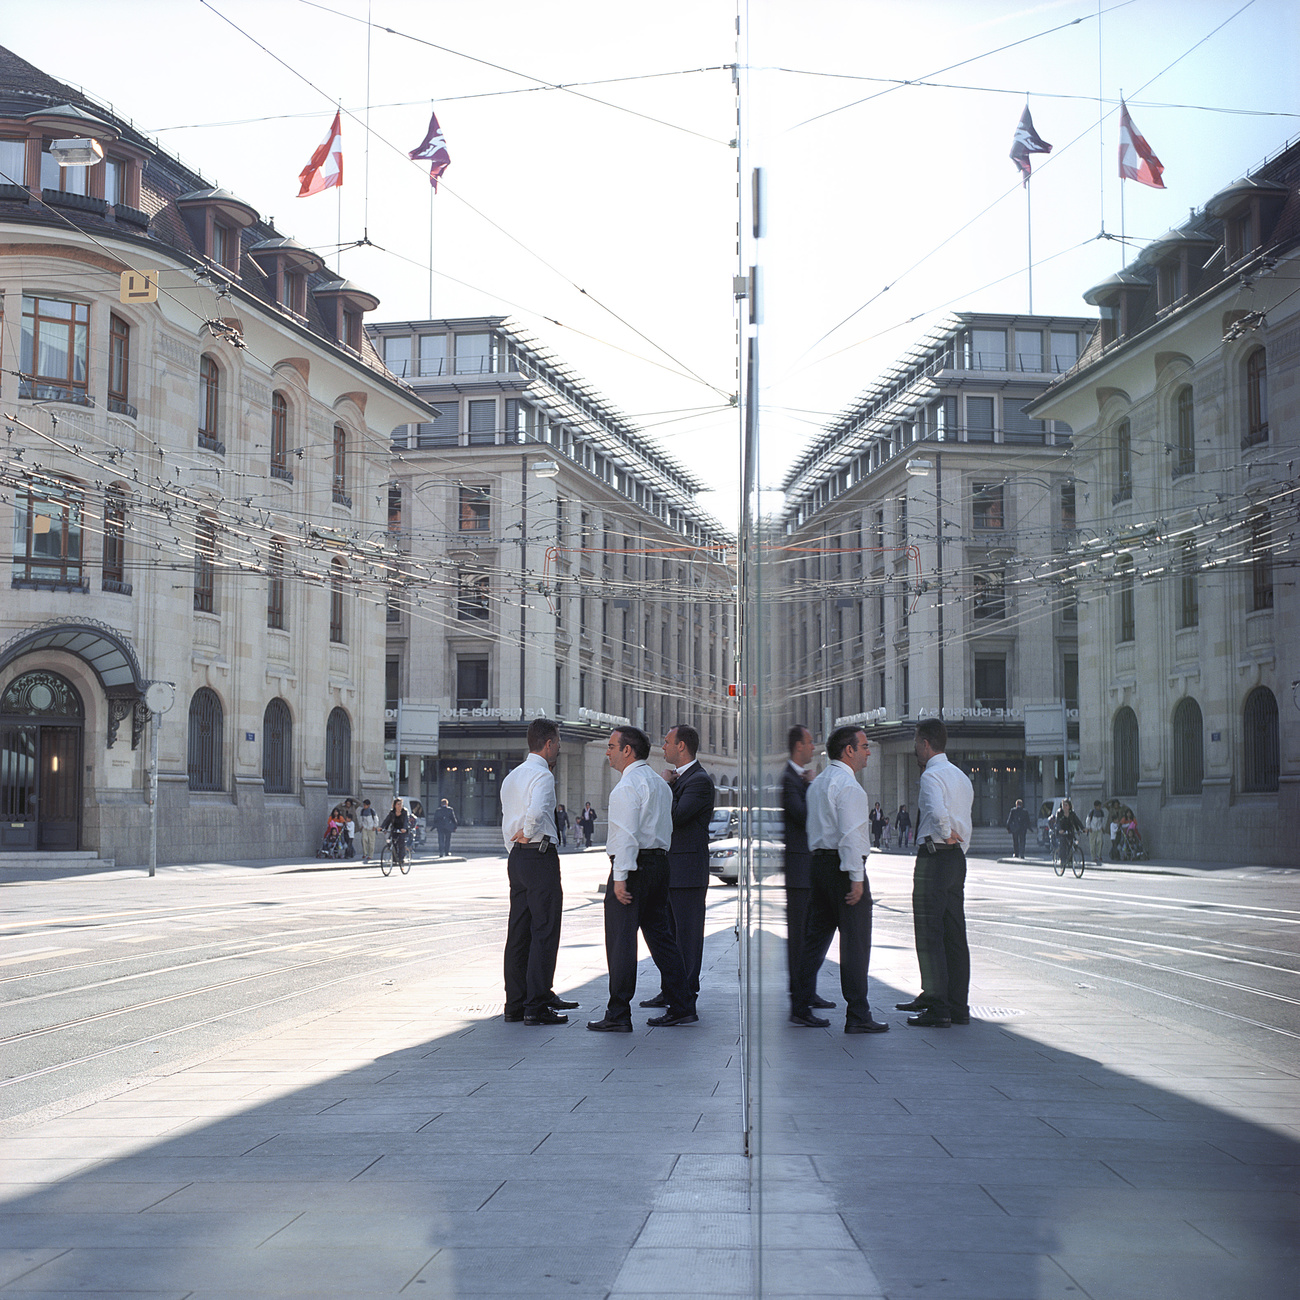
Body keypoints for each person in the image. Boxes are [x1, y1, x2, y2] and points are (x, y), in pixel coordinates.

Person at [588, 726, 694, 1032]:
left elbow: (626, 836)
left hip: (633, 868)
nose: (607, 751)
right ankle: (683, 1005)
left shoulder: (626, 787)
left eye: (611, 746)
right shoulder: (660, 785)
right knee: (662, 939)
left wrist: (620, 877)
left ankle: (618, 1013)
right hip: (660, 865)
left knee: (621, 942)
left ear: (627, 750)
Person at [793, 725, 888, 1034]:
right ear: (849, 750)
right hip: (844, 869)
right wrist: (857, 879)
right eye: (864, 746)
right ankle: (858, 1014)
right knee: (856, 943)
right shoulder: (849, 787)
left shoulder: (819, 783)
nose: (868, 751)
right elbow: (851, 836)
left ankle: (800, 1005)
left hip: (819, 865)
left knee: (815, 941)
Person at [898, 718, 974, 1029]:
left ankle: (937, 1007)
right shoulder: (960, 776)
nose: (914, 749)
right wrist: (957, 842)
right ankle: (957, 1005)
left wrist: (945, 833)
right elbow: (964, 820)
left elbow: (940, 815)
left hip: (934, 857)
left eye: (917, 743)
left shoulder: (931, 777)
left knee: (929, 934)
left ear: (927, 744)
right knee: (955, 933)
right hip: (956, 859)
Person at [499, 719, 575, 1026]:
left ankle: (515, 1004)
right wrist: (529, 833)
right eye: (557, 741)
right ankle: (537, 1004)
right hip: (540, 856)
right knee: (545, 930)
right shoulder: (542, 776)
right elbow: (537, 811)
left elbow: (507, 818)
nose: (558, 746)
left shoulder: (513, 776)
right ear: (549, 743)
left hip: (517, 859)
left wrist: (516, 843)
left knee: (518, 931)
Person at [641, 724, 714, 1010]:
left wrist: (666, 784)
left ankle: (685, 996)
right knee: (669, 937)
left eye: (667, 741)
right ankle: (670, 989)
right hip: (672, 872)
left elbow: (674, 816)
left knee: (687, 937)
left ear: (682, 746)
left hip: (688, 873)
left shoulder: (699, 781)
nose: (663, 747)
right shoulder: (683, 780)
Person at [782, 726, 835, 1016]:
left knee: (811, 937)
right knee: (801, 939)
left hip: (808, 871)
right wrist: (813, 785)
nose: (813, 746)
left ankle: (808, 993)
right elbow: (804, 815)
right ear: (798, 745)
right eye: (810, 741)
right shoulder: (790, 779)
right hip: (799, 872)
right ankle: (799, 999)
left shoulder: (797, 778)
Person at [380, 797, 411, 869]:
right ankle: (394, 858)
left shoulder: (404, 812)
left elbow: (406, 821)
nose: (400, 806)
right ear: (394, 805)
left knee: (401, 841)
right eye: (398, 804)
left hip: (403, 829)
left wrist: (404, 828)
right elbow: (387, 820)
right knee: (390, 841)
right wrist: (382, 827)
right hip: (394, 829)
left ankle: (401, 858)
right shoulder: (392, 813)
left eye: (401, 804)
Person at [1052, 799, 1085, 866]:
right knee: (1063, 842)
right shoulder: (1059, 813)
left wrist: (1083, 828)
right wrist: (1060, 829)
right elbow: (1057, 823)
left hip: (1069, 830)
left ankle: (1070, 860)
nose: (1064, 806)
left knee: (1072, 842)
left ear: (1069, 806)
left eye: (1066, 805)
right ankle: (1063, 860)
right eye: (1063, 805)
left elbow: (1077, 821)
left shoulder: (1072, 813)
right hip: (1061, 831)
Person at [1085, 800, 1108, 866]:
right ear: (1095, 806)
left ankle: (1099, 855)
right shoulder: (1091, 812)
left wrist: (1102, 827)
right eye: (1098, 806)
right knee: (1092, 843)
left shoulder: (1101, 812)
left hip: (1099, 829)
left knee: (1100, 841)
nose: (1100, 807)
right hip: (1092, 829)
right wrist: (1088, 827)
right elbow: (1088, 820)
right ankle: (1093, 857)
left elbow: (1103, 820)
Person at [357, 798, 379, 863]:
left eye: (365, 805)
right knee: (364, 839)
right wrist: (361, 826)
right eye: (363, 805)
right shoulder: (362, 811)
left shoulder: (372, 811)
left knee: (371, 842)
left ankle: (370, 855)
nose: (364, 806)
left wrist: (375, 826)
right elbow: (361, 819)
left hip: (371, 828)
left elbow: (376, 819)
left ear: (368, 805)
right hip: (365, 828)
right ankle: (365, 853)